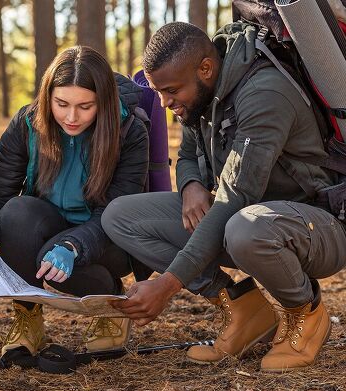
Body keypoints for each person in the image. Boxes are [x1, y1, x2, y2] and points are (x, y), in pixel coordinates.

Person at [102, 22, 346, 372]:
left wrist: (167, 285)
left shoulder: (264, 94)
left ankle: (305, 313)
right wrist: (190, 187)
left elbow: (235, 197)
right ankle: (245, 310)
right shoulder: (204, 88)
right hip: (247, 220)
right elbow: (188, 153)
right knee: (121, 217)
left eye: (170, 91)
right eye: (157, 91)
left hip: (316, 226)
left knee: (245, 228)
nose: (163, 102)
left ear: (205, 68)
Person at [0, 46, 150, 356]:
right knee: (15, 212)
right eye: (61, 104)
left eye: (85, 106)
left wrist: (73, 246)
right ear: (47, 97)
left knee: (58, 253)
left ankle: (111, 304)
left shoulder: (129, 132)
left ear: (104, 103)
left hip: (108, 235)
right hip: (49, 223)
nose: (71, 117)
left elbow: (118, 209)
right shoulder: (27, 124)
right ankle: (28, 318)